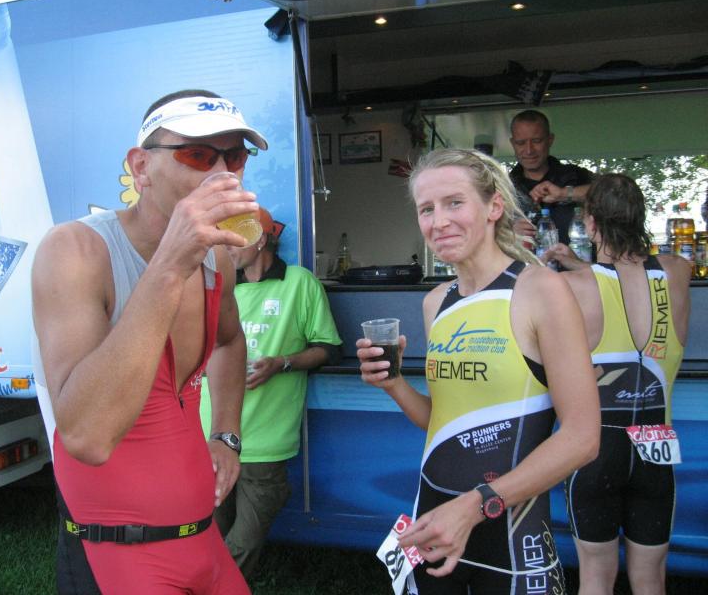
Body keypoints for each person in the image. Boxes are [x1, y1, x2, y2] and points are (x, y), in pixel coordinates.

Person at [31, 89, 266, 595]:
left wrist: (227, 434)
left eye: (234, 157)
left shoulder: (217, 260)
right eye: (198, 155)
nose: (221, 173)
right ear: (141, 168)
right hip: (113, 550)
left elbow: (229, 342)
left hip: (201, 537)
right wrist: (172, 261)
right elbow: (87, 437)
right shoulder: (75, 250)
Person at [357, 148, 600, 594]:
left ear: (494, 207)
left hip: (509, 534)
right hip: (434, 519)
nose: (439, 221)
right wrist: (393, 384)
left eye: (454, 203)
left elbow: (583, 438)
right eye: (426, 209)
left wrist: (475, 506)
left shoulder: (539, 289)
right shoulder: (436, 302)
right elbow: (445, 422)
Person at [542, 174, 691, 595]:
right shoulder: (678, 271)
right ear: (640, 219)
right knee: (650, 580)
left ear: (590, 224)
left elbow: (602, 282)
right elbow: (629, 274)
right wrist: (583, 265)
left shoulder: (570, 287)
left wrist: (572, 264)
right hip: (656, 447)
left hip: (595, 448)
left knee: (595, 579)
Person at [200, 207, 342, 579]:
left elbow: (328, 348)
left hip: (266, 442)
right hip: (211, 436)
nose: (226, 248)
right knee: (209, 537)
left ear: (261, 239)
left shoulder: (299, 282)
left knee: (242, 543)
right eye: (222, 240)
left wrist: (282, 363)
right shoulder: (218, 285)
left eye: (235, 239)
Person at [509, 109, 593, 244]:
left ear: (550, 140)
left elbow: (616, 192)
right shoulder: (504, 187)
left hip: (577, 256)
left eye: (536, 141)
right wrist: (507, 232)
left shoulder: (574, 175)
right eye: (521, 143)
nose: (529, 150)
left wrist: (564, 193)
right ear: (513, 144)